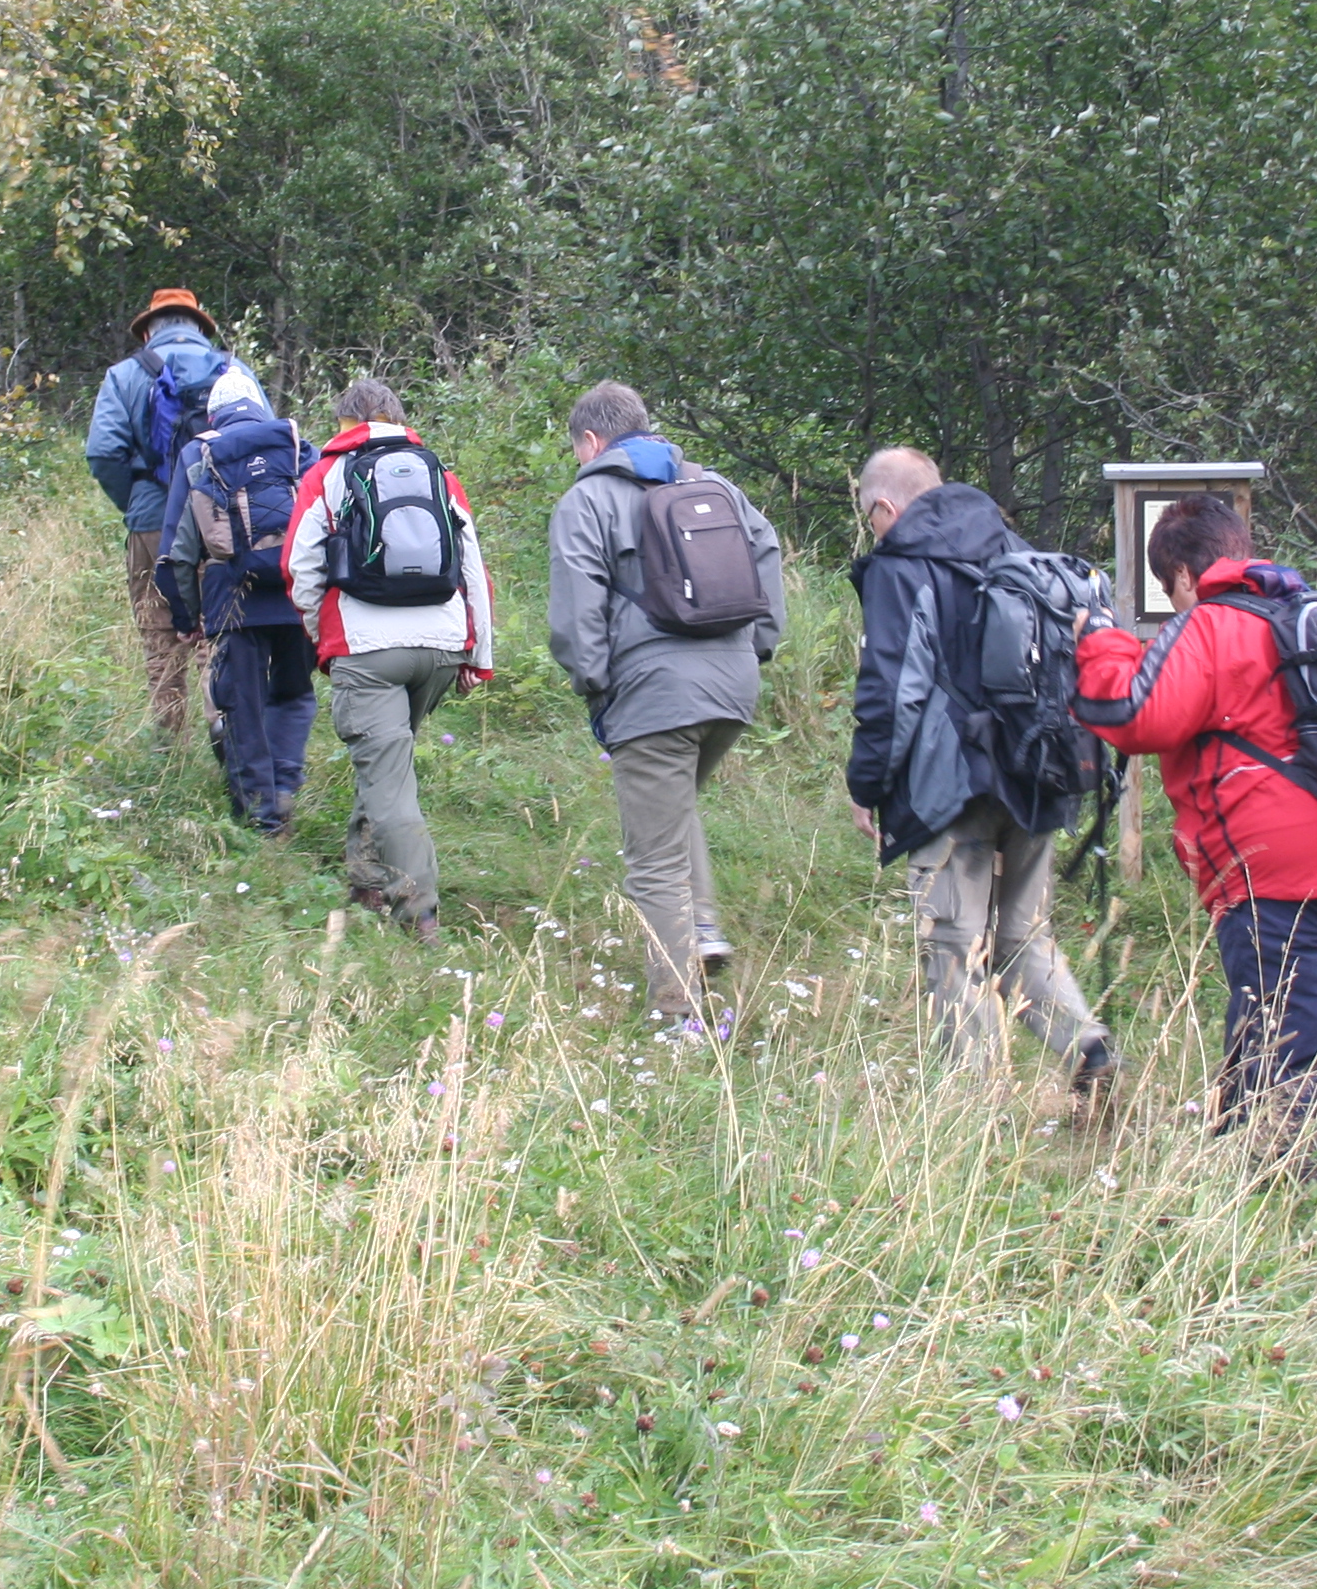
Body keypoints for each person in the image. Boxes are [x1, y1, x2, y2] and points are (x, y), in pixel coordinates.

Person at [1075, 494, 1317, 1152]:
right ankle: (1242, 1178)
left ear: (1180, 575)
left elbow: (1134, 715)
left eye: (1168, 587)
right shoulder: (1315, 616)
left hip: (1290, 883)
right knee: (1273, 1032)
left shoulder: (1213, 624)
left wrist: (1100, 642)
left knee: (1298, 1074)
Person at [844, 446, 1112, 1087]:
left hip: (953, 788)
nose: (872, 531)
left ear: (886, 506)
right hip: (1036, 773)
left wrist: (867, 784)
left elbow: (894, 690)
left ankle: (970, 1111)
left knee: (953, 946)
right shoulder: (1014, 548)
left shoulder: (902, 566)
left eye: (869, 518)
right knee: (1023, 934)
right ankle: (1089, 1050)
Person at [548, 380, 786, 1024]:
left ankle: (678, 1011)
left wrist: (596, 684)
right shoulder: (717, 488)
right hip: (733, 685)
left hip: (653, 694)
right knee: (673, 809)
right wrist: (755, 648)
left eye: (578, 449)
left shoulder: (588, 498)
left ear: (593, 441)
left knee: (652, 860)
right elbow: (766, 555)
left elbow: (576, 614)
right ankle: (703, 928)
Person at [286, 376, 496, 940]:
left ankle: (418, 915)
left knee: (390, 782)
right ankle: (365, 877)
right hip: (442, 645)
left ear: (344, 423)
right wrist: (478, 653)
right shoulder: (437, 473)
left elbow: (299, 568)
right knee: (387, 763)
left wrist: (321, 635)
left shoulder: (327, 473)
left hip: (367, 646)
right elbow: (473, 567)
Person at [85, 290, 254, 735]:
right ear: (200, 327)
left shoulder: (124, 375)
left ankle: (166, 741)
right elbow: (261, 444)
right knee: (219, 625)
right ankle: (226, 730)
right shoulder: (233, 370)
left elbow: (103, 452)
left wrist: (137, 501)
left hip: (153, 518)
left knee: (159, 628)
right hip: (223, 519)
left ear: (148, 330)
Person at [156, 369, 317, 834]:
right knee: (293, 695)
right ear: (259, 407)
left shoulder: (200, 454)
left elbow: (179, 552)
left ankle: (263, 817)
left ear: (213, 414)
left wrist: (186, 616)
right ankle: (285, 784)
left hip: (233, 602)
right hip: (296, 597)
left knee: (241, 707)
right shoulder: (298, 448)